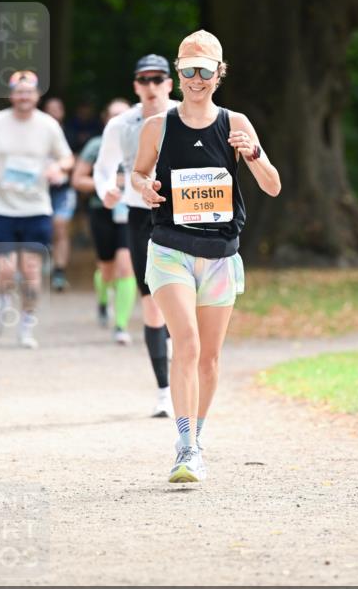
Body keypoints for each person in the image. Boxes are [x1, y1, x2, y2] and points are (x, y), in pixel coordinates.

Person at [132, 30, 280, 483]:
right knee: (188, 344)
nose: (196, 79)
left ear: (219, 74)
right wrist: (147, 188)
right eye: (188, 70)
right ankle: (185, 447)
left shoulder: (236, 123)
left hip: (220, 255)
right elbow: (137, 174)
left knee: (210, 358)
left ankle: (197, 436)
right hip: (171, 249)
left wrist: (252, 154)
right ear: (179, 73)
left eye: (205, 71)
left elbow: (272, 184)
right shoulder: (158, 125)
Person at [94, 55, 178, 418]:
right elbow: (102, 169)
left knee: (187, 298)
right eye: (144, 80)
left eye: (158, 79)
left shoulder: (187, 115)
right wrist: (105, 191)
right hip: (140, 215)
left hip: (184, 214)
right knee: (152, 303)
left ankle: (179, 359)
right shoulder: (121, 124)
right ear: (135, 86)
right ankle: (164, 392)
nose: (151, 86)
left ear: (169, 84)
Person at [0, 71, 74, 348]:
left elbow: (67, 157)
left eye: (29, 92)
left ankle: (27, 324)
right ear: (11, 95)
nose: (24, 97)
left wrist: (57, 167)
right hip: (1, 205)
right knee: (4, 269)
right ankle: (3, 298)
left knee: (31, 270)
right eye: (19, 91)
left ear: (37, 95)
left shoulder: (48, 125)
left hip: (36, 207)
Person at [72, 98, 136, 343]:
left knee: (125, 266)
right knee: (107, 270)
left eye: (124, 115)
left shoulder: (141, 139)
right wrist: (106, 187)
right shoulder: (96, 145)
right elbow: (78, 180)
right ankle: (102, 300)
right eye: (113, 115)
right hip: (102, 211)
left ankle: (120, 326)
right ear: (106, 119)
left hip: (130, 212)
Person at [44, 96, 77, 291]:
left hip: (63, 190)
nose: (53, 112)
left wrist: (65, 171)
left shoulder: (69, 133)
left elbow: (80, 159)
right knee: (44, 228)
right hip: (39, 189)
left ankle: (59, 272)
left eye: (57, 109)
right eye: (50, 108)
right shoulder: (36, 132)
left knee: (60, 226)